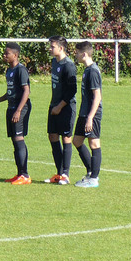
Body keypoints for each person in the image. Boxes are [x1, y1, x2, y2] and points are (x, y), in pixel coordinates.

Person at [0, 42, 33, 184]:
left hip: (20, 108)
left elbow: (26, 91)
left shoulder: (21, 70)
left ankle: (25, 175)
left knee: (19, 138)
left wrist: (19, 110)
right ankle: (19, 173)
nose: (4, 55)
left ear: (15, 55)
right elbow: (11, 92)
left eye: (7, 53)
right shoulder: (9, 70)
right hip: (11, 106)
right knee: (14, 140)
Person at [46, 35, 78, 185]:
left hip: (66, 107)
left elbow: (72, 90)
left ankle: (65, 174)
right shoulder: (54, 62)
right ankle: (59, 173)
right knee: (52, 136)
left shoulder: (69, 65)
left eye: (52, 47)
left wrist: (60, 106)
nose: (50, 49)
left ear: (61, 48)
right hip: (54, 105)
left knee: (66, 138)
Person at [72, 41, 103, 188]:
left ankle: (94, 178)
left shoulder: (93, 71)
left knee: (94, 143)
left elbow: (97, 97)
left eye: (77, 52)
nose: (75, 55)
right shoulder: (86, 70)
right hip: (84, 112)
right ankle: (90, 171)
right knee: (77, 141)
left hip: (92, 113)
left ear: (84, 54)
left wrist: (90, 117)